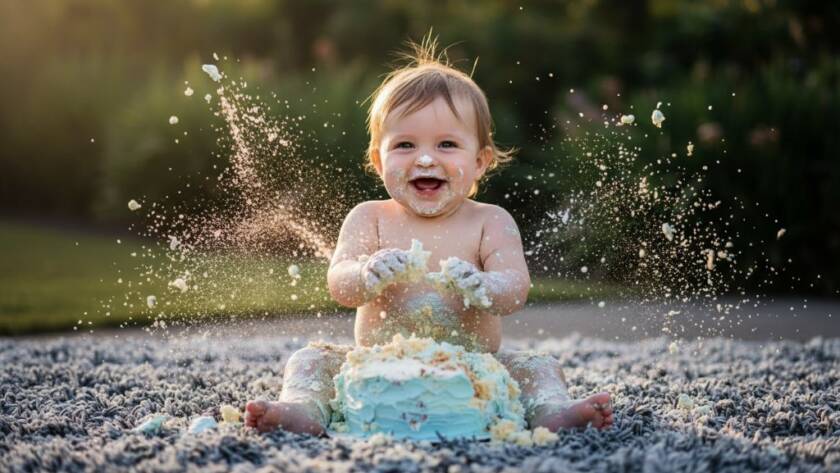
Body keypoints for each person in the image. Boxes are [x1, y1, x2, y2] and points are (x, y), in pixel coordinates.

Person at [245, 37, 613, 435]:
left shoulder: (491, 221)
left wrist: (485, 286)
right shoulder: (369, 218)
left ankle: (551, 412)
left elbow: (515, 289)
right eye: (404, 145)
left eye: (447, 145)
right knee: (309, 360)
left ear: (479, 162)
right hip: (376, 366)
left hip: (474, 369)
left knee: (540, 367)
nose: (424, 158)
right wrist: (367, 274)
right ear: (377, 159)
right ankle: (302, 408)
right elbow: (340, 283)